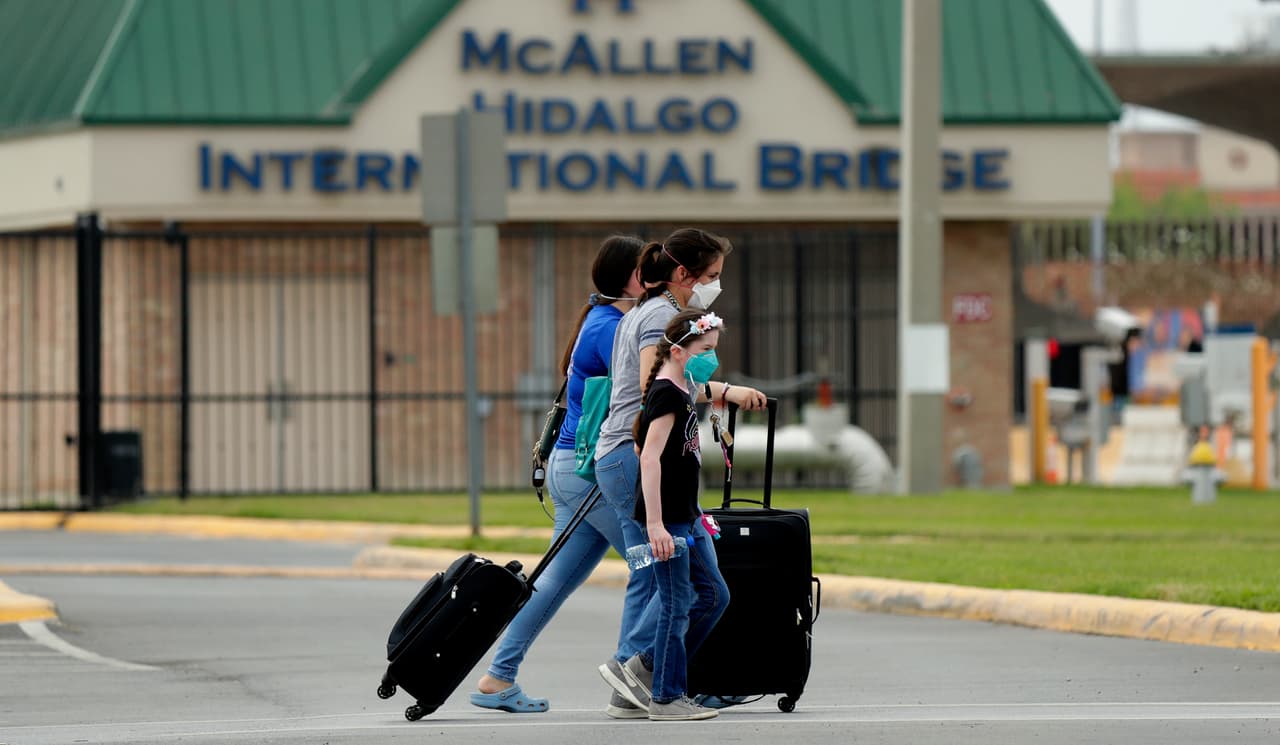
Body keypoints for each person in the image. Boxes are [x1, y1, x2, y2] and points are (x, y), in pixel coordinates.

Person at [591, 228, 767, 714]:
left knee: (671, 581)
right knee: (665, 581)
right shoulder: (661, 319)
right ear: (684, 274)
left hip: (632, 459)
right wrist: (721, 390)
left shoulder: (649, 310)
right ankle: (637, 674)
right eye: (711, 276)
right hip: (635, 458)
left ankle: (639, 682)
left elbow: (674, 385)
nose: (715, 285)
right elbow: (661, 390)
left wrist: (724, 390)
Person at [470, 235, 647, 717]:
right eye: (646, 269)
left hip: (570, 467)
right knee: (653, 570)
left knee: (551, 583)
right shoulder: (613, 328)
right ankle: (632, 681)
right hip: (592, 472)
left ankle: (497, 678)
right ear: (630, 277)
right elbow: (650, 384)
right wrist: (721, 387)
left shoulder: (601, 319)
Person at [631, 309, 731, 720]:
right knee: (676, 604)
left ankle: (647, 667)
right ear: (678, 350)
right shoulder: (666, 394)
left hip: (687, 515)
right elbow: (649, 458)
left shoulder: (682, 388)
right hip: (669, 520)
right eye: (705, 350)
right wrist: (655, 525)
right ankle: (666, 697)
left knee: (713, 596)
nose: (711, 358)